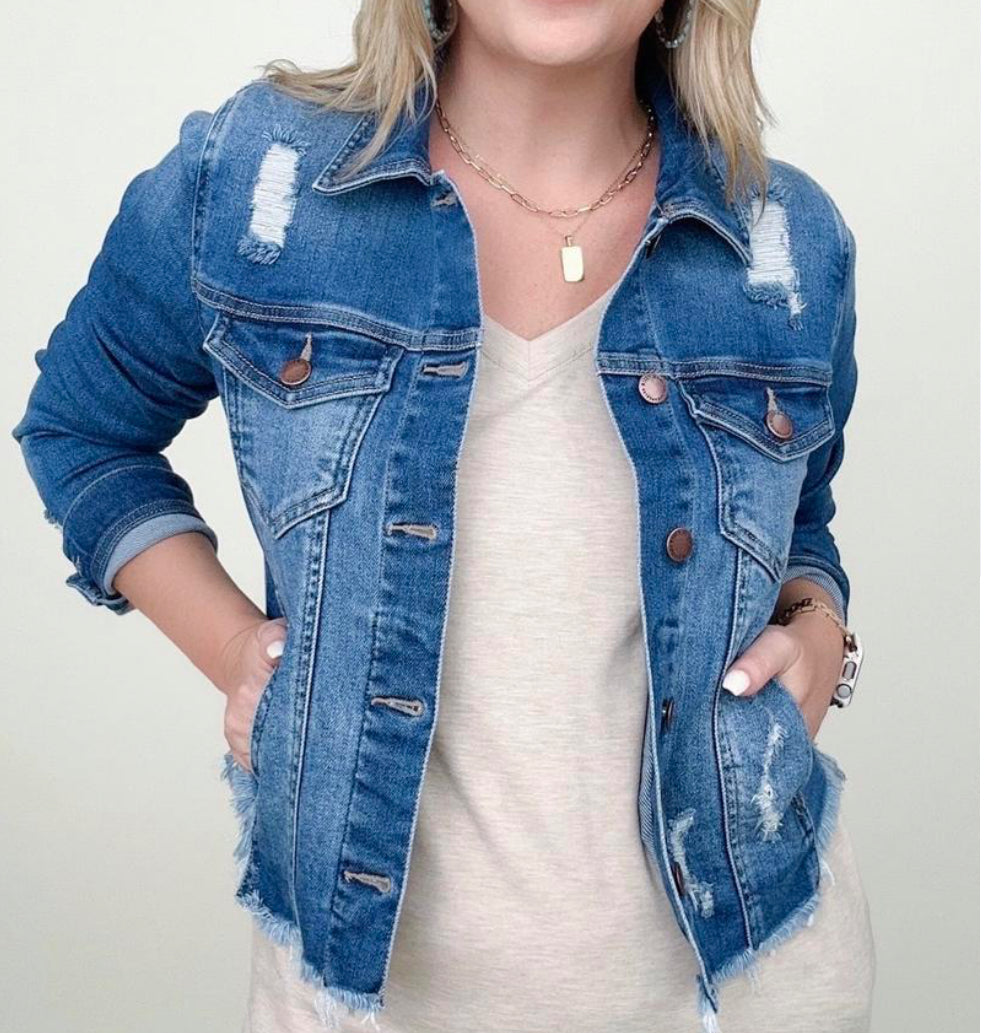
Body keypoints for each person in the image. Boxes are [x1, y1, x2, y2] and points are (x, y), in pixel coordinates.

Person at [12, 0, 877, 1030]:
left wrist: (820, 627)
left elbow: (799, 517)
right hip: (368, 995)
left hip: (751, 983)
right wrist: (235, 646)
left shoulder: (784, 241)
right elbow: (82, 428)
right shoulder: (259, 180)